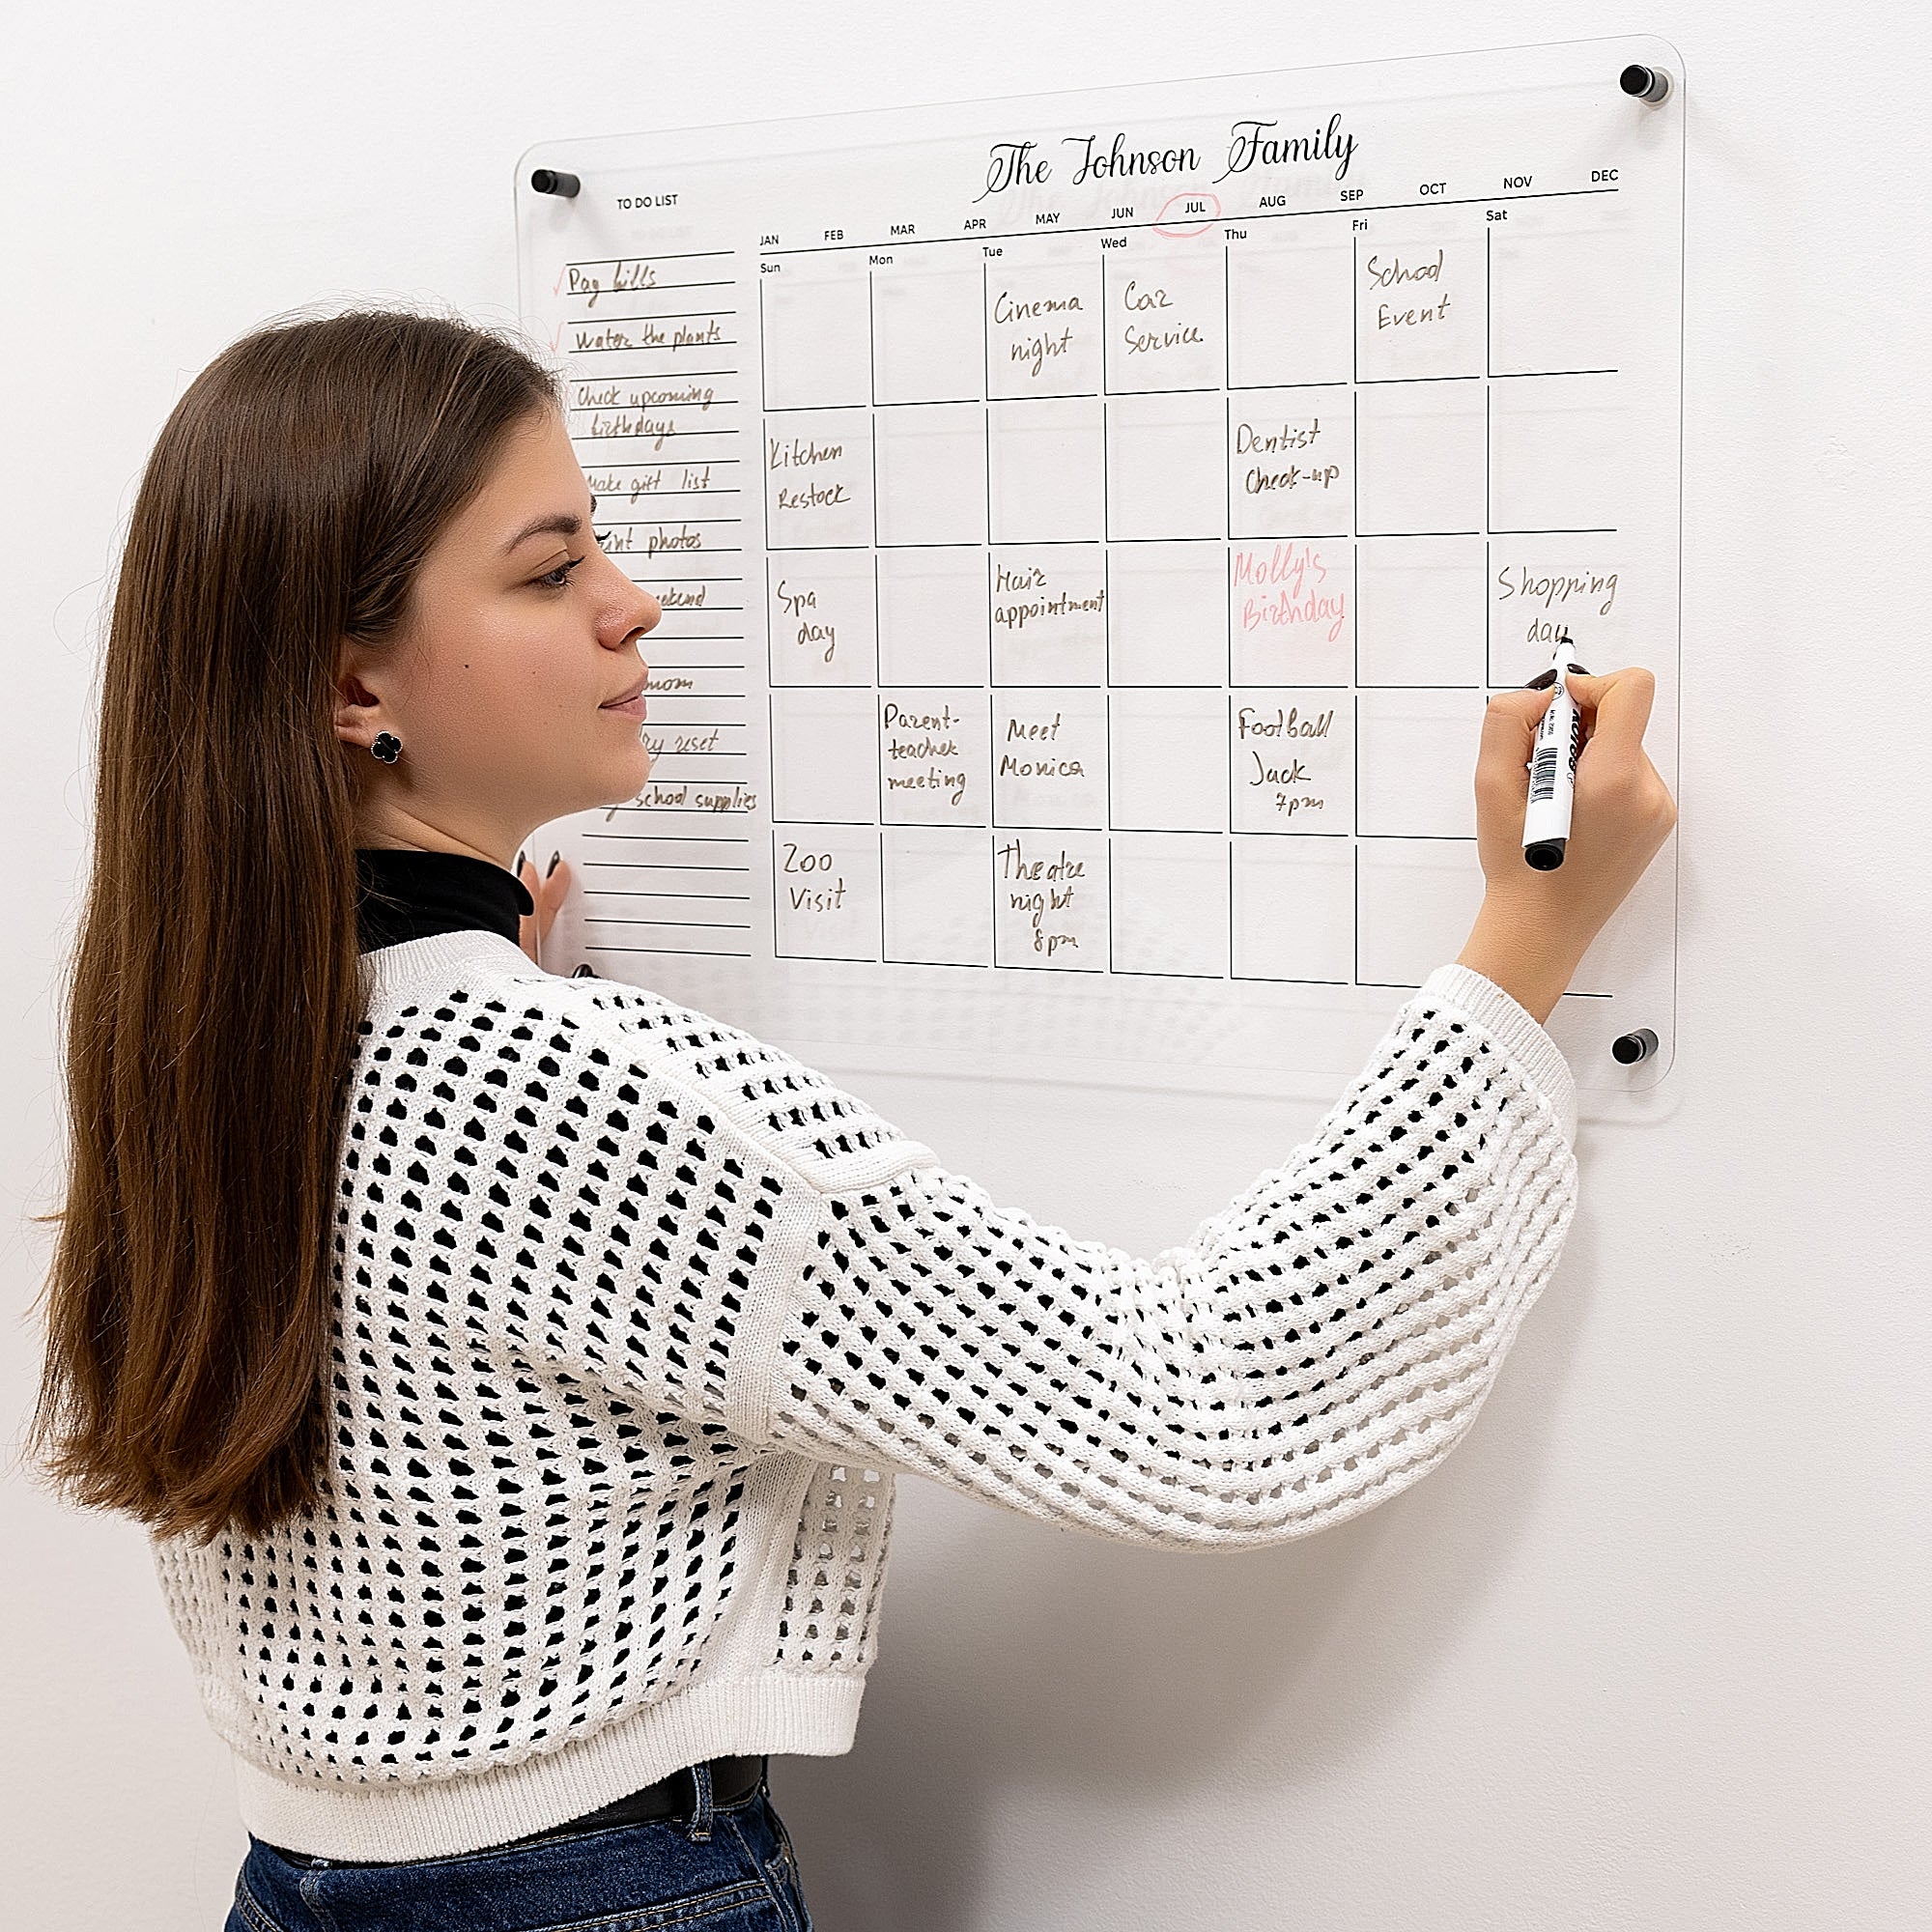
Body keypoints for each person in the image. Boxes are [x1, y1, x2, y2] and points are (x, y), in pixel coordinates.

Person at [28, 305, 1676, 1932]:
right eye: (550, 571)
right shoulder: (566, 1093)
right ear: (348, 687)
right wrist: (1528, 943)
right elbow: (1207, 1402)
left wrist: (495, 968)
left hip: (294, 1890)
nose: (634, 602)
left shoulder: (207, 1035)